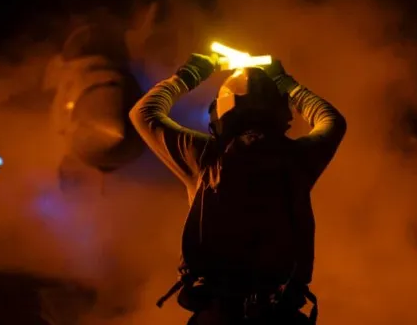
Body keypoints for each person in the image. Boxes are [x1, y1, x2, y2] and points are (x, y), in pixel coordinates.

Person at [130, 54, 346, 324]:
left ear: (220, 112)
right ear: (281, 111)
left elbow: (143, 113)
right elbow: (333, 121)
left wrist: (191, 74)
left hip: (217, 316)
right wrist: (286, 82)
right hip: (280, 316)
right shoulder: (298, 158)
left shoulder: (203, 155)